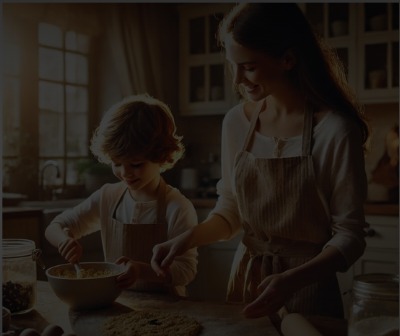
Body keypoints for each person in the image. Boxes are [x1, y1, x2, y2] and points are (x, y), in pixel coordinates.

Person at [151, 3, 369, 318]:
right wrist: (186, 239)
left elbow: (351, 236)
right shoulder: (236, 122)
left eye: (249, 66)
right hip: (246, 280)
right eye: (233, 65)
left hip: (308, 288)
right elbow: (231, 211)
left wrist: (292, 280)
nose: (238, 79)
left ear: (288, 59)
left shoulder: (335, 130)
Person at [45, 94, 198, 296]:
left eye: (136, 164)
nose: (125, 173)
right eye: (117, 163)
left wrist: (142, 270)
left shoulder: (177, 207)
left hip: (167, 311)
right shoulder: (107, 197)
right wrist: (64, 240)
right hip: (119, 305)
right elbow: (54, 227)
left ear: (162, 157)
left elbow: (186, 270)